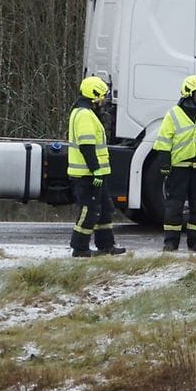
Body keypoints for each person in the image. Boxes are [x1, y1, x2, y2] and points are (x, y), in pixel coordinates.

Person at [153, 75, 196, 252]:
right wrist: (164, 163)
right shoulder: (173, 114)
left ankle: (194, 242)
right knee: (174, 205)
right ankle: (171, 242)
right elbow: (163, 140)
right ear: (189, 92)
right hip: (179, 167)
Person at [67, 76, 126, 257]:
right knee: (89, 210)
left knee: (104, 209)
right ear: (94, 96)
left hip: (94, 173)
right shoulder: (84, 115)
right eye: (102, 96)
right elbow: (87, 146)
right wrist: (96, 171)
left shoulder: (87, 113)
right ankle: (80, 248)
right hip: (87, 174)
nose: (104, 101)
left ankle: (106, 245)